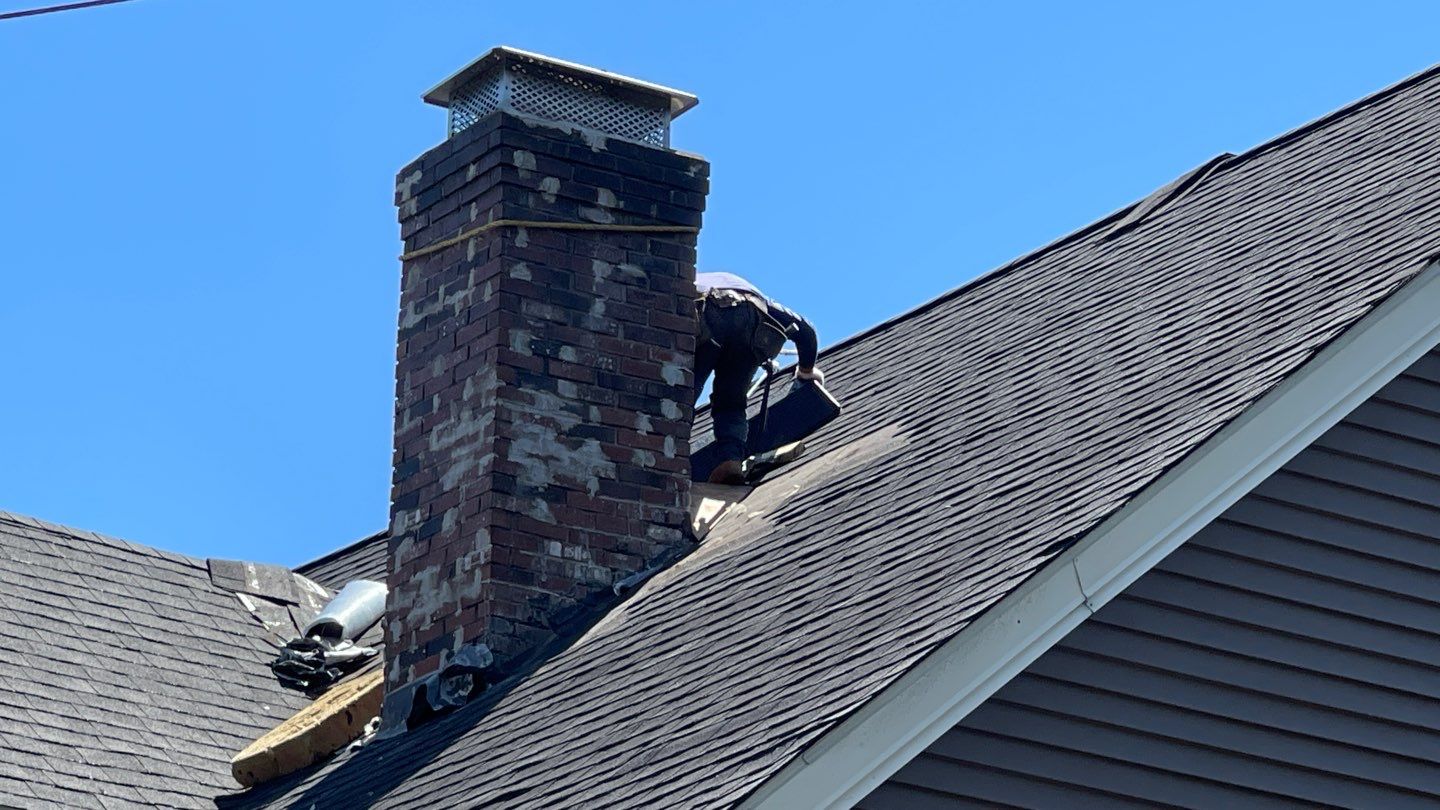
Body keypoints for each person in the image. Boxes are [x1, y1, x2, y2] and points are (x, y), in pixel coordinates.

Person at [693, 271, 822, 484]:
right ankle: (730, 460)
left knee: (683, 395)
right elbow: (806, 331)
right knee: (731, 403)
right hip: (753, 324)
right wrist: (806, 371)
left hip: (709, 315)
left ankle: (668, 455)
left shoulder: (690, 282)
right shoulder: (761, 301)